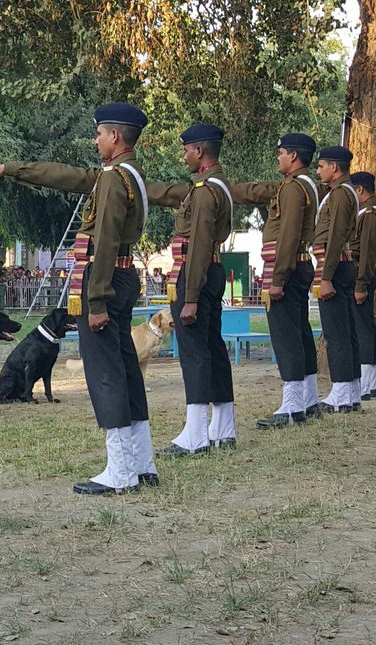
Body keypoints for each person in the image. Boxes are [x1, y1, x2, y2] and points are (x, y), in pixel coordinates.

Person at [0, 102, 160, 495]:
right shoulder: (127, 174)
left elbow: (108, 238)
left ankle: (120, 471)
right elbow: (65, 177)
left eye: (99, 134)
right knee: (127, 370)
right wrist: (12, 169)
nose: (96, 140)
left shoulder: (115, 178)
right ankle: (141, 462)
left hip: (105, 279)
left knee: (106, 374)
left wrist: (95, 301)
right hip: (122, 276)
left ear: (114, 136)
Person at [150, 124, 236, 456]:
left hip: (194, 272)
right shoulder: (220, 184)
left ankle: (196, 433)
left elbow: (198, 244)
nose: (183, 155)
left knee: (194, 353)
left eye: (186, 149)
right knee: (212, 347)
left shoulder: (203, 191)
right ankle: (223, 425)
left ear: (199, 151)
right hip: (212, 270)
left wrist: (190, 298)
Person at [230, 133, 322, 426]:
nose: (278, 157)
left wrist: (278, 278)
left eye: (281, 152)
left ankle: (292, 405)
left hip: (289, 267)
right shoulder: (302, 185)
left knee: (286, 335)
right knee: (300, 331)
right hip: (298, 264)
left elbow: (289, 234)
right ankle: (309, 398)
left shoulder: (295, 188)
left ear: (293, 156)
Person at [314, 146, 361, 412]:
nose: (318, 170)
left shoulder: (342, 194)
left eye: (321, 166)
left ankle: (342, 392)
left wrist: (326, 277)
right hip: (338, 265)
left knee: (337, 332)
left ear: (334, 167)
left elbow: (334, 238)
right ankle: (351, 390)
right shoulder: (340, 192)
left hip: (334, 266)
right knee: (346, 331)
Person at [349, 171, 376, 401]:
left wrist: (360, 284)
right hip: (362, 275)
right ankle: (370, 382)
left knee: (362, 329)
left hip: (360, 275)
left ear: (360, 190)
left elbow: (367, 252)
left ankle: (366, 383)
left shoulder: (370, 214)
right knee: (365, 328)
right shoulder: (368, 212)